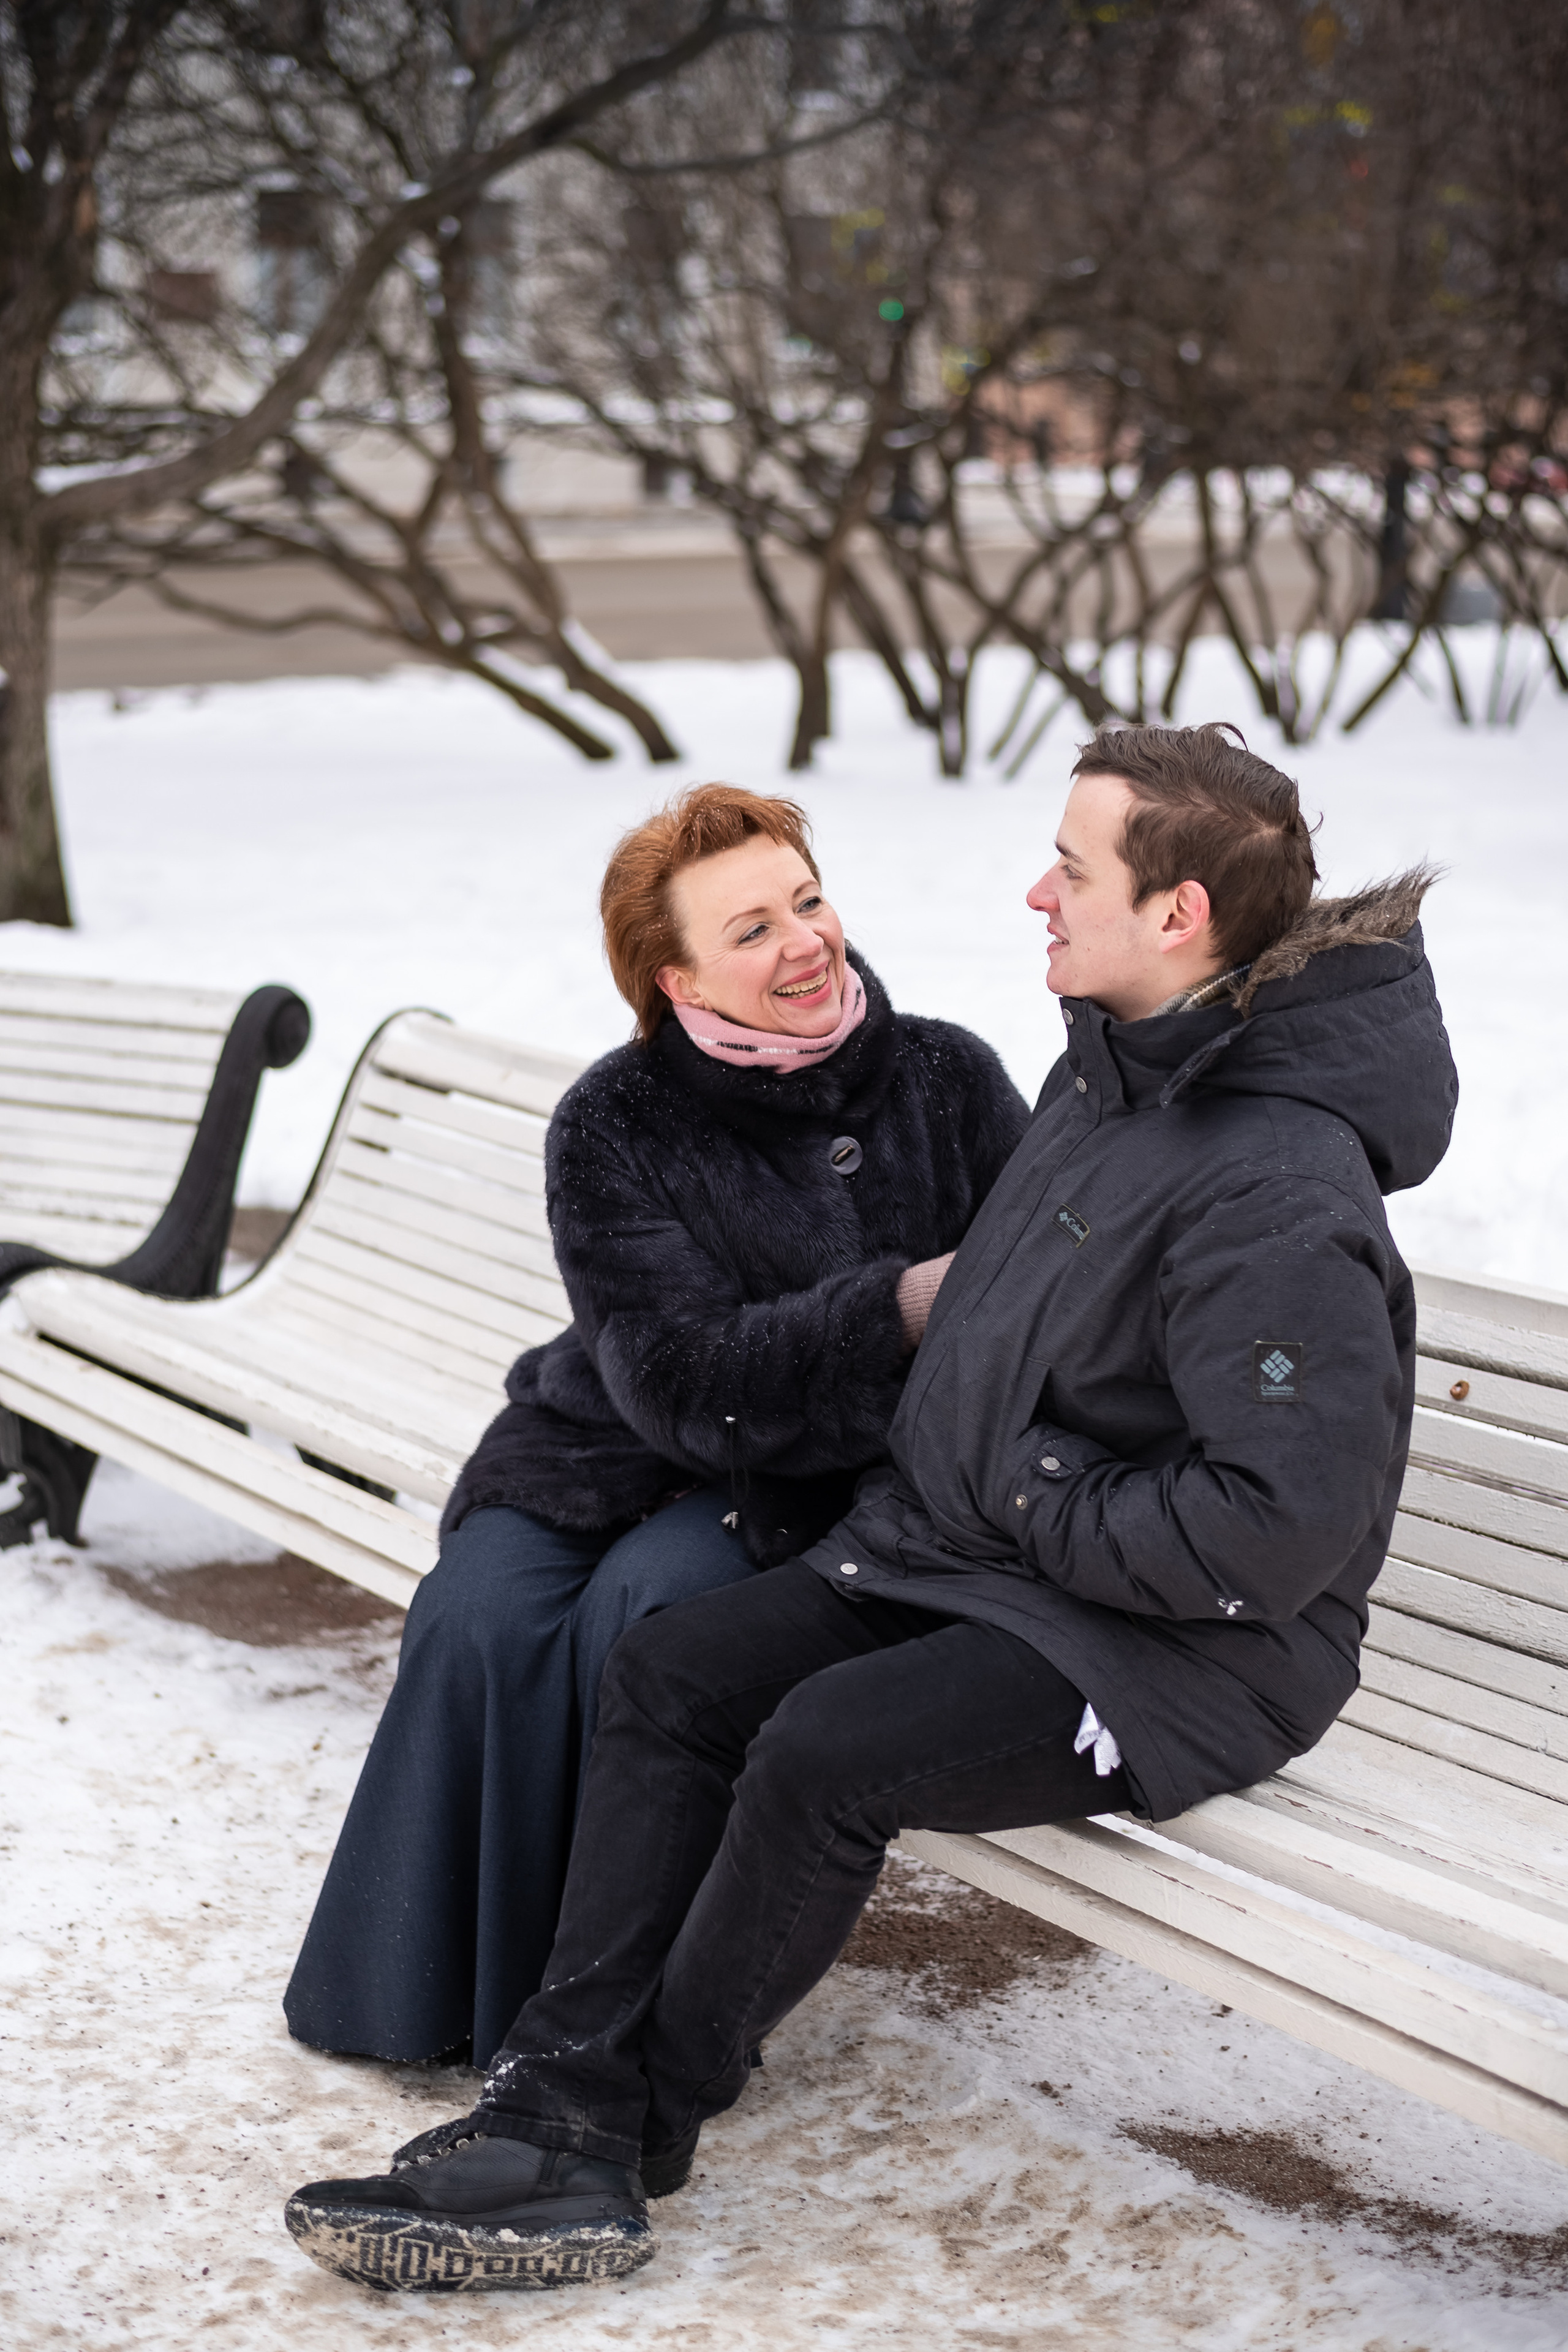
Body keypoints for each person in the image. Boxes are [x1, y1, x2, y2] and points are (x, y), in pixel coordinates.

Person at [284, 723, 1458, 2295]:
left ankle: (625, 2126)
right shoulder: (1111, 1078)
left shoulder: (1272, 1179)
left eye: (1070, 863)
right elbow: (993, 1343)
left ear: (1174, 916)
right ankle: (554, 2099)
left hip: (1172, 1647)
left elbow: (1271, 1534)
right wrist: (983, 1479)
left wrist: (1024, 1485)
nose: (1031, 889)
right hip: (988, 1561)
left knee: (819, 1757)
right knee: (670, 1670)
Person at [284, 782, 1030, 2070]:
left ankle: (593, 2021)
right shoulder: (614, 1119)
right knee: (477, 1613)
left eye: (806, 901)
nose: (804, 942)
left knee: (651, 1614)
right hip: (608, 1443)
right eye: (749, 931)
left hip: (830, 1484)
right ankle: (410, 1994)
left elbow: (1031, 1306)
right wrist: (892, 1309)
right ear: (675, 977)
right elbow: (682, 1379)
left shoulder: (947, 1078)